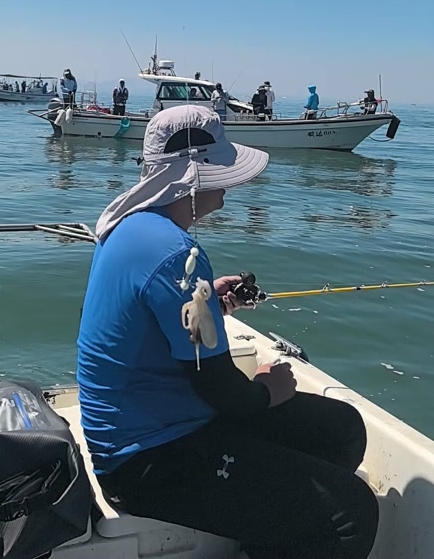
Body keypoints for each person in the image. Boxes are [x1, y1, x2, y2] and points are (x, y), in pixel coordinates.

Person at [77, 106, 378, 559]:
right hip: (148, 461)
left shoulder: (133, 227)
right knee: (351, 513)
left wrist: (210, 305)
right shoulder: (174, 254)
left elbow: (153, 324)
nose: (230, 184)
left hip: (160, 427)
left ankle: (271, 533)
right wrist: (268, 389)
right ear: (193, 178)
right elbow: (226, 394)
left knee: (341, 428)